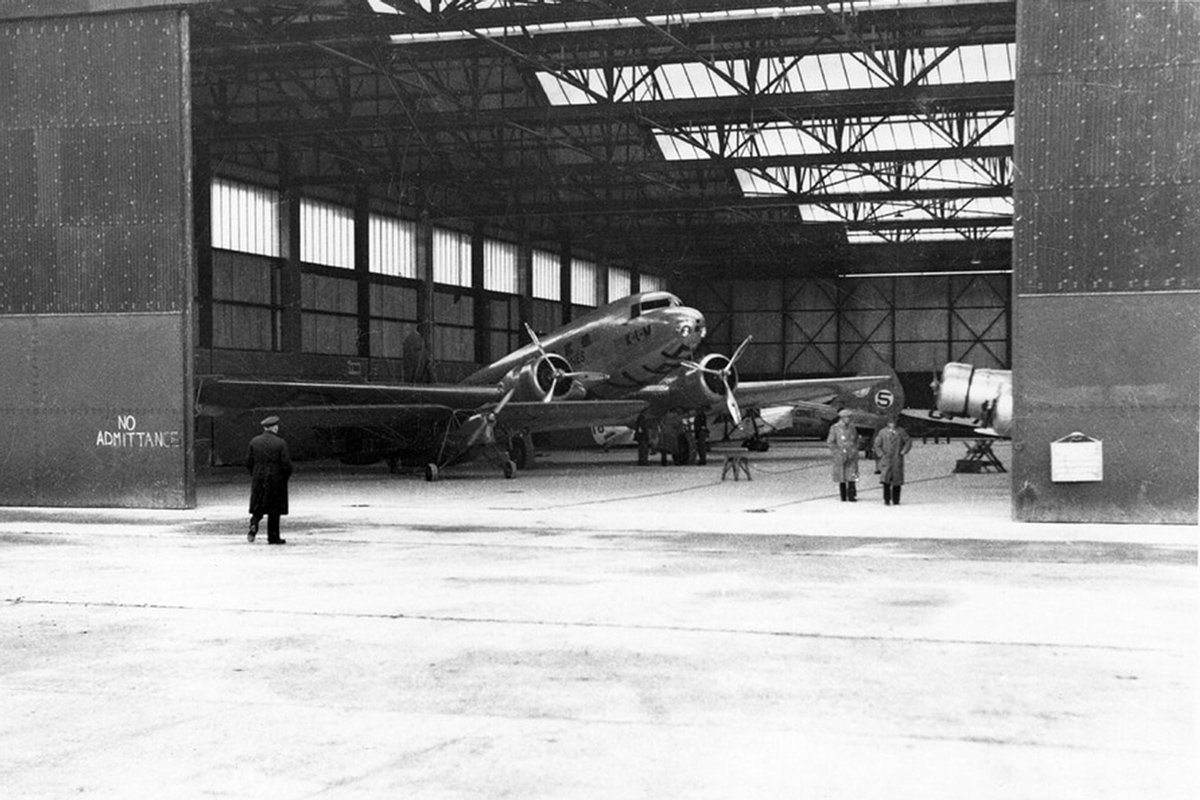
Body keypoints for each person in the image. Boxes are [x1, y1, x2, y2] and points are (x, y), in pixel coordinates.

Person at [247, 415, 292, 545]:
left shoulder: (254, 441)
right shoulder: (281, 442)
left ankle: (254, 523)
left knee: (258, 504)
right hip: (276, 478)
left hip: (259, 476)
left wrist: (255, 474)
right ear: (274, 427)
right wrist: (284, 477)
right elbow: (286, 464)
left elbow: (248, 462)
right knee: (274, 509)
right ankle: (273, 537)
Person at [872, 416, 912, 506]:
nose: (892, 424)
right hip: (886, 458)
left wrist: (904, 451)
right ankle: (886, 499)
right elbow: (877, 444)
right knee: (886, 480)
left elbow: (908, 441)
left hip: (897, 458)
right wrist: (881, 454)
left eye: (893, 422)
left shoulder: (901, 431)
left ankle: (896, 499)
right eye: (890, 423)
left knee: (896, 481)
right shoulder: (883, 432)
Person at [826, 408, 860, 502]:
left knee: (852, 475)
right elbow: (830, 442)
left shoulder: (852, 427)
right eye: (847, 417)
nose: (849, 419)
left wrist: (855, 449)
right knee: (842, 476)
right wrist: (836, 452)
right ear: (843, 418)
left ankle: (852, 494)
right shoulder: (835, 428)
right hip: (840, 455)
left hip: (851, 454)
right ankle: (843, 495)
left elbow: (856, 439)